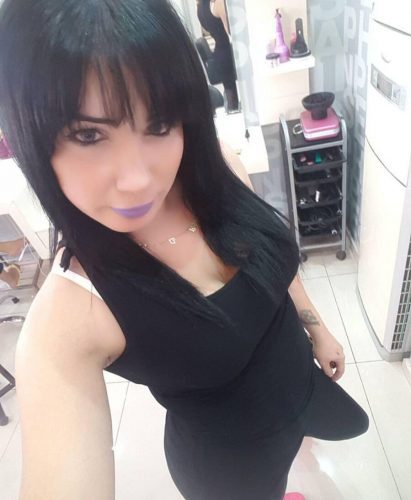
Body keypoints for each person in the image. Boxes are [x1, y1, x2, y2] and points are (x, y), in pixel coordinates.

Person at [0, 1, 369, 499]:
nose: (137, 179)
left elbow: (269, 266)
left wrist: (316, 327)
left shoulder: (218, 169)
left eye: (159, 124)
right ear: (30, 135)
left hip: (300, 399)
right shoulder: (68, 319)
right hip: (230, 470)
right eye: (89, 134)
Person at [196, 0, 240, 113]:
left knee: (231, 95)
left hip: (220, 54)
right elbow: (231, 31)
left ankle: (232, 108)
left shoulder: (200, 8)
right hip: (227, 54)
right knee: (236, 94)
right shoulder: (218, 3)